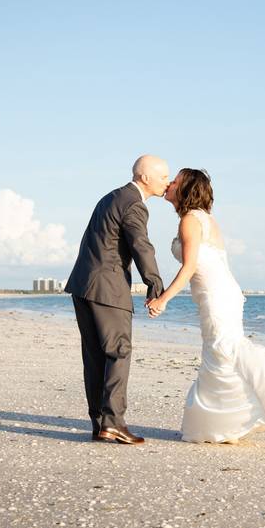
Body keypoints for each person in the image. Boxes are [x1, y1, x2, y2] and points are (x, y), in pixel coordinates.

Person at [147, 168, 265, 444]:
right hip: (222, 293)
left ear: (186, 189)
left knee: (226, 349)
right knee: (221, 354)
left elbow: (190, 266)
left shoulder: (191, 220)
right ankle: (221, 426)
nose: (169, 183)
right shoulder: (204, 218)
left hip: (217, 295)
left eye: (175, 181)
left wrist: (163, 299)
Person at [64, 155, 169, 445]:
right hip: (108, 289)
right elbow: (140, 244)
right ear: (145, 177)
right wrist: (155, 282)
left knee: (95, 356)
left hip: (82, 285)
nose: (167, 182)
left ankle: (99, 424)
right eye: (163, 177)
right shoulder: (134, 203)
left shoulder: (110, 197)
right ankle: (114, 423)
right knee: (119, 352)